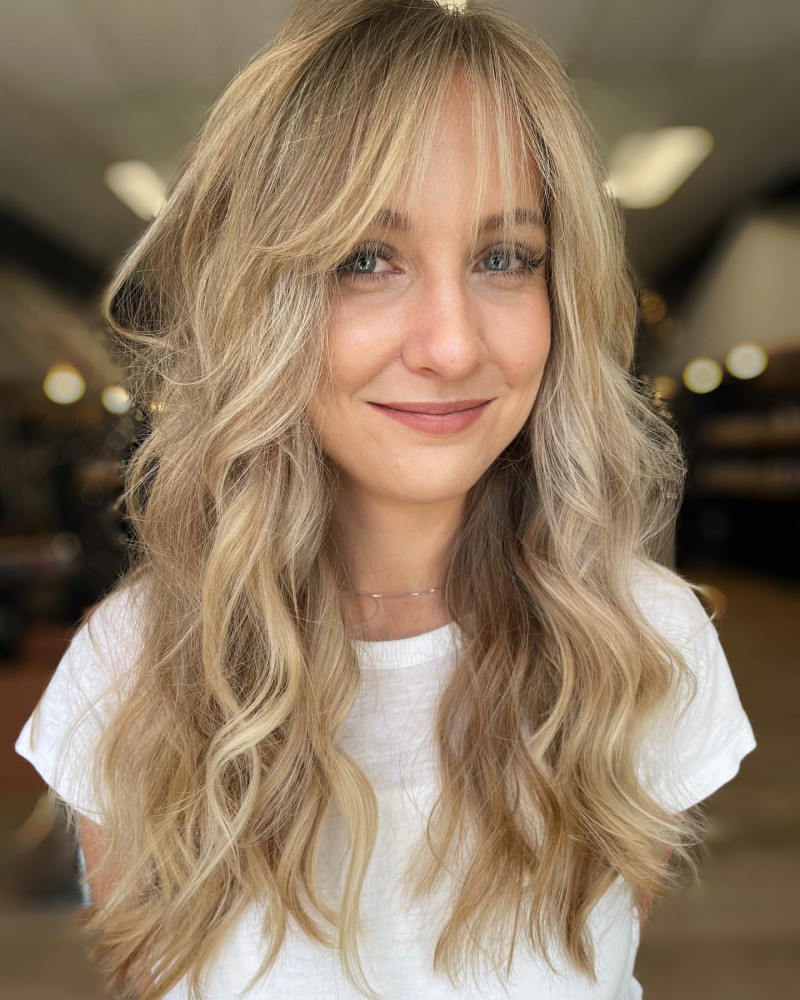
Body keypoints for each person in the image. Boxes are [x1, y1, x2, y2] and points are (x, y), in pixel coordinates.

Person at [15, 1, 757, 998]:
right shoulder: (131, 671)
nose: (451, 344)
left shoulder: (643, 646)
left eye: (505, 257)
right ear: (260, 303)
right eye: (365, 259)